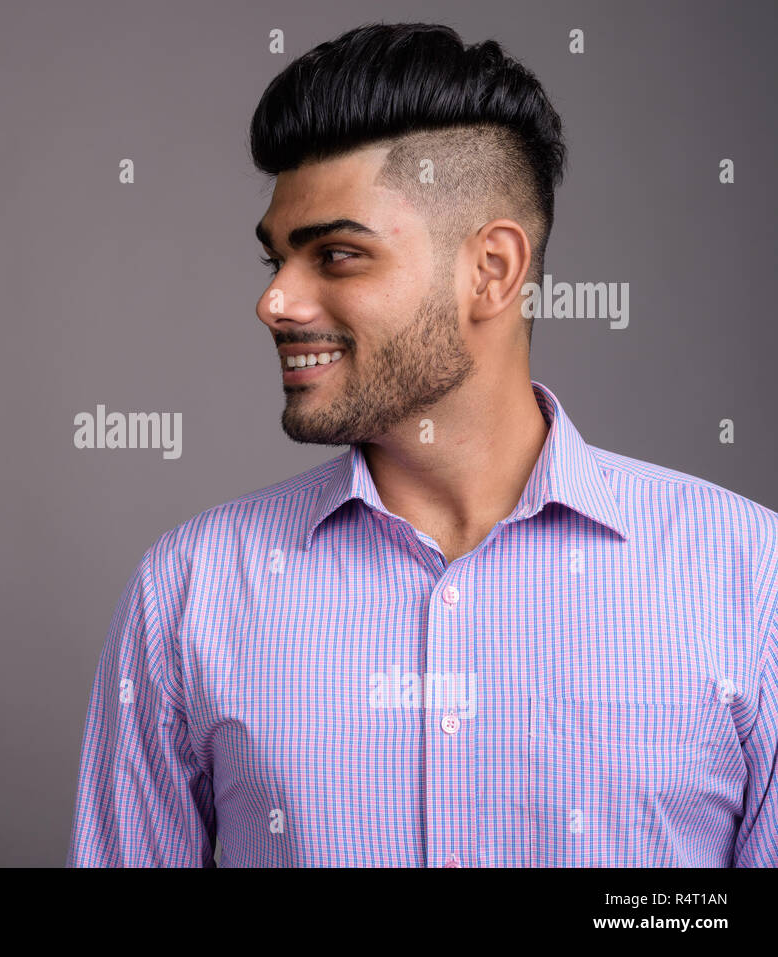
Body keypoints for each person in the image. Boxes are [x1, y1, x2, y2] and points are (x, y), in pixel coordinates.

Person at [65, 22, 777, 866]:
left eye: (336, 254)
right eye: (276, 261)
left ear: (493, 270)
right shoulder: (190, 591)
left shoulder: (751, 581)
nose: (277, 303)